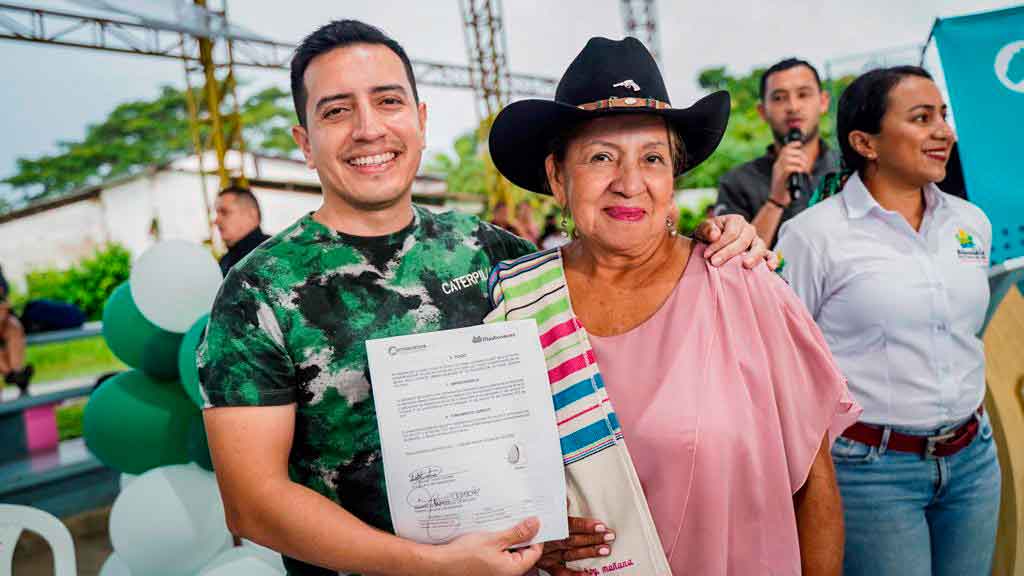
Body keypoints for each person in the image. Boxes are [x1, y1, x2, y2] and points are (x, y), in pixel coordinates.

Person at [197, 20, 771, 576]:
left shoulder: (494, 252)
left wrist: (713, 240)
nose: (368, 128)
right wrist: (435, 567)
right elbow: (253, 502)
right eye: (337, 110)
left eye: (388, 101)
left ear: (420, 120)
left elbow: (616, 261)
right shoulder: (258, 291)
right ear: (304, 140)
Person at [486, 37, 859, 575]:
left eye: (653, 158)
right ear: (557, 178)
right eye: (600, 157)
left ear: (672, 178)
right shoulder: (516, 304)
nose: (630, 183)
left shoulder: (741, 283)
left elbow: (815, 481)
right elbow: (496, 485)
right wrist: (536, 536)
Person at [776, 66, 1000, 576]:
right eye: (921, 118)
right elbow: (783, 363)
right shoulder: (814, 237)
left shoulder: (971, 224)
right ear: (865, 142)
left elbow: (961, 335)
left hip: (973, 461)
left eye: (942, 115)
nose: (942, 131)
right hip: (870, 470)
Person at [714, 58, 840, 246]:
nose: (793, 107)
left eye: (803, 94)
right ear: (762, 110)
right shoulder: (737, 182)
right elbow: (731, 261)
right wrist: (775, 201)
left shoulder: (852, 167)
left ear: (823, 102)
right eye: (779, 98)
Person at [214, 184, 271, 275]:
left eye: (225, 212)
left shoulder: (270, 253)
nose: (216, 220)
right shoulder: (225, 260)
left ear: (251, 215)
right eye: (217, 213)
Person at [0, 268, 32, 396]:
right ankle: (11, 374)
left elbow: (4, 295)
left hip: (4, 318)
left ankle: (16, 372)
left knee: (15, 328)